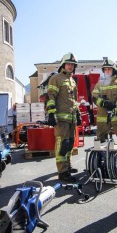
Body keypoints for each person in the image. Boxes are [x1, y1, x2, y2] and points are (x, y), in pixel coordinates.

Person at [46, 52, 82, 182]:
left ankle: (67, 166)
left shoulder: (72, 80)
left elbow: (74, 100)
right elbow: (50, 97)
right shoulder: (56, 78)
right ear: (63, 64)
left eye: (72, 64)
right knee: (63, 144)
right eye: (68, 64)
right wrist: (51, 114)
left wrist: (77, 114)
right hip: (61, 119)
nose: (70, 66)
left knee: (70, 143)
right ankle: (62, 172)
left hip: (71, 118)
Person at [92, 58, 117, 144]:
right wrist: (103, 103)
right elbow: (94, 97)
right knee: (100, 144)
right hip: (103, 118)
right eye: (105, 69)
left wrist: (116, 108)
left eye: (109, 69)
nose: (107, 71)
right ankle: (103, 157)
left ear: (114, 70)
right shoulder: (100, 83)